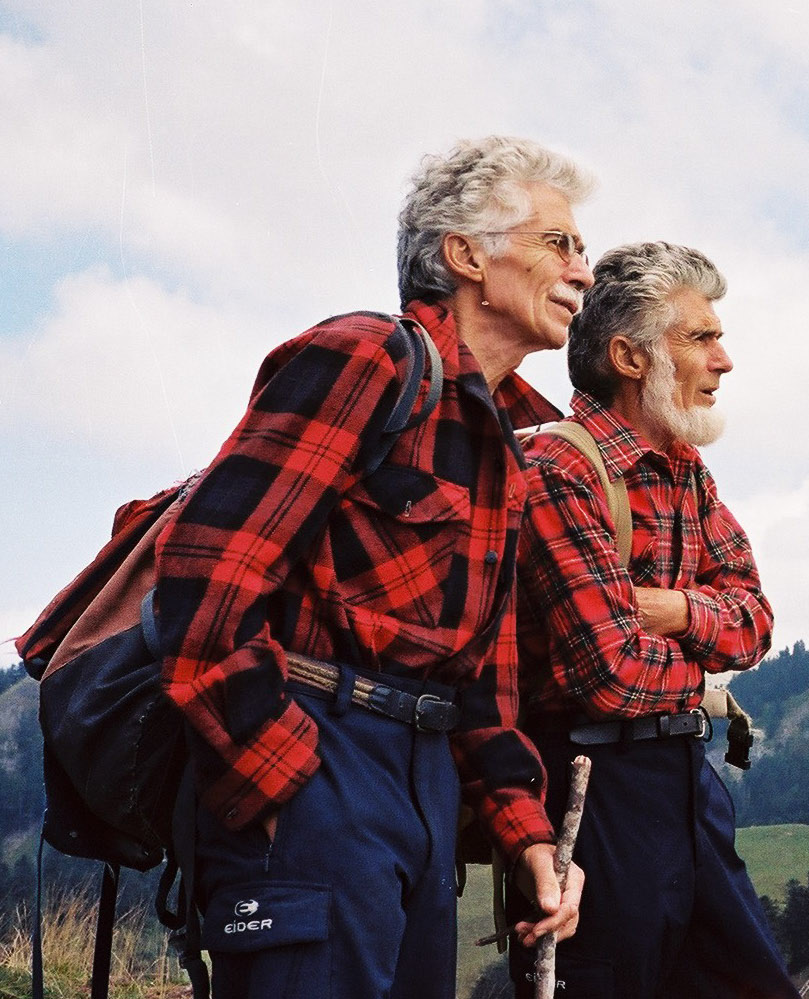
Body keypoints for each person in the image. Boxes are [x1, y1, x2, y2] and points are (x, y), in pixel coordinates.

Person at [154, 136, 594, 999]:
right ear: (465, 255)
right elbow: (203, 576)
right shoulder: (367, 357)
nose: (584, 266)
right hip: (323, 755)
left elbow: (483, 681)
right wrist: (286, 782)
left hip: (424, 785)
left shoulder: (503, 443)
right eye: (558, 242)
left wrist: (529, 839)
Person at [510, 242, 799, 998]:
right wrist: (701, 658)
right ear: (629, 357)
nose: (723, 360)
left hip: (683, 781)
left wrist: (671, 610)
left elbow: (757, 620)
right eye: (700, 337)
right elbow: (609, 675)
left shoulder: (683, 466)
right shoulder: (558, 471)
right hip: (589, 786)